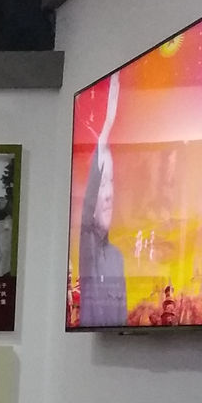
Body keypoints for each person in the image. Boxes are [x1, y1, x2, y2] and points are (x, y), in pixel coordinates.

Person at [76, 72, 129, 328]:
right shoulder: (88, 245)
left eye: (112, 182)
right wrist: (107, 126)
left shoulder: (117, 258)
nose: (108, 194)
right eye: (102, 184)